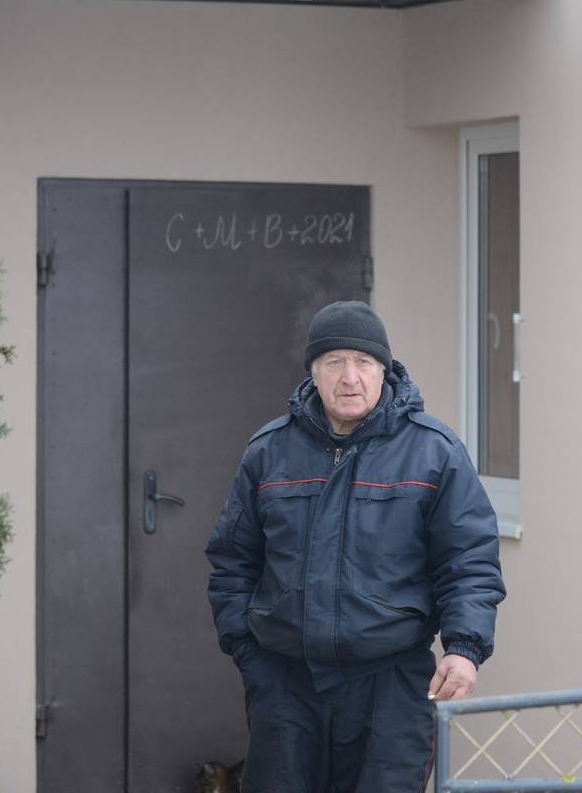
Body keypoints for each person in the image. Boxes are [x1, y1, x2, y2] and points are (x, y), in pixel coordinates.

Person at [205, 300, 506, 792]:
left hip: (390, 687)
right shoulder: (269, 451)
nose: (350, 377)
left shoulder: (434, 452)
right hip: (285, 686)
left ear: (384, 370)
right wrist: (248, 653)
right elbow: (233, 562)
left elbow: (469, 562)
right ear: (313, 373)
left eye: (363, 362)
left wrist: (464, 648)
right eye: (334, 362)